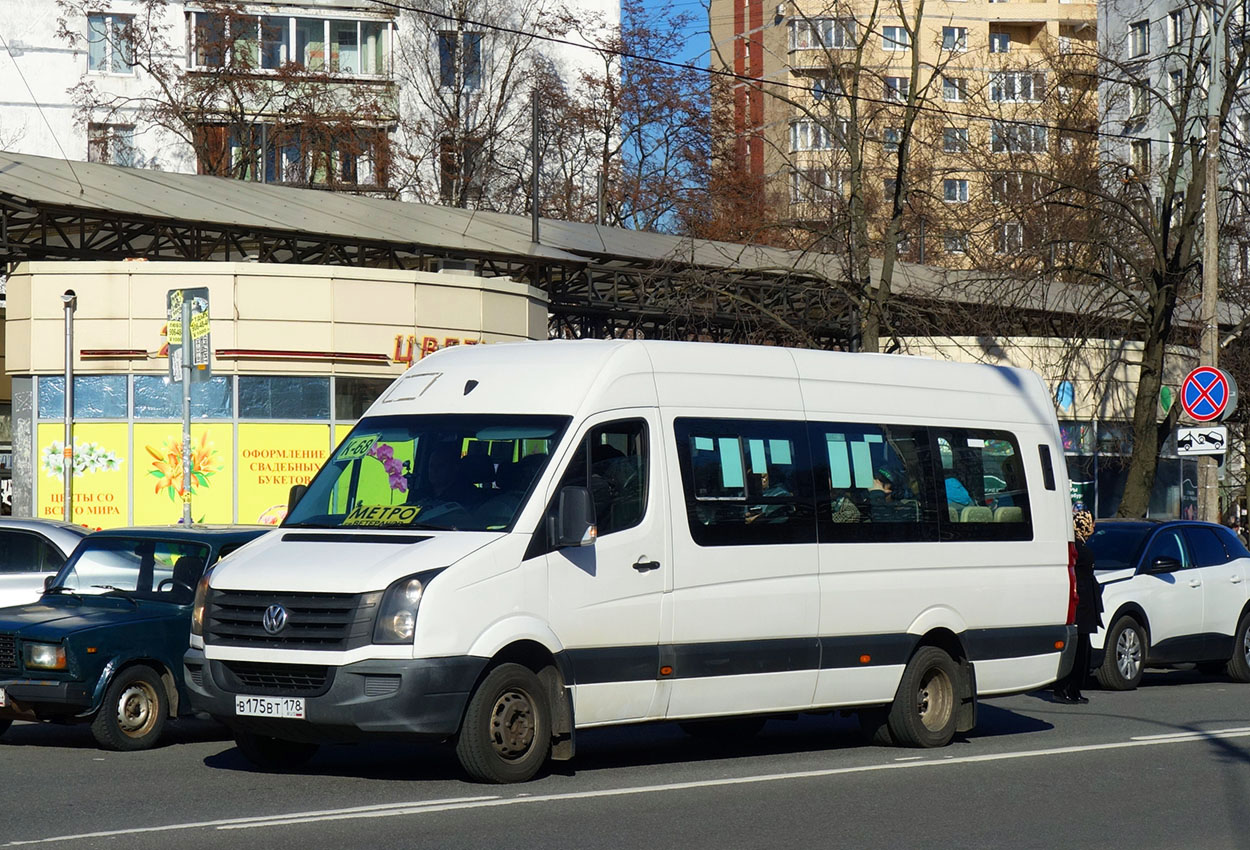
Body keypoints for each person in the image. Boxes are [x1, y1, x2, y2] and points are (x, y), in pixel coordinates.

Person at [1053, 508, 1103, 704]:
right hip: (1080, 603)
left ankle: (1074, 689)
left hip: (1086, 602)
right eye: (1090, 523)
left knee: (1083, 649)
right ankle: (1064, 689)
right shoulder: (1075, 547)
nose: (1092, 527)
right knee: (1077, 650)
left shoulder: (1080, 544)